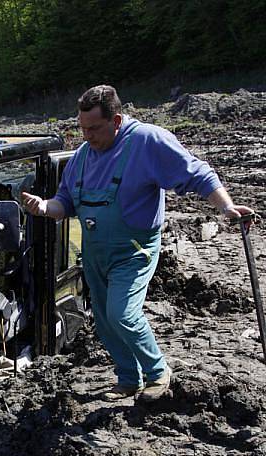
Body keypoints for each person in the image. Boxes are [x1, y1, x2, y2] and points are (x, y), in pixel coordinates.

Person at [23, 85, 254, 402]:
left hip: (133, 249)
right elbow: (65, 201)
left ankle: (158, 373)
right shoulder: (81, 158)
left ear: (116, 121)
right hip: (94, 254)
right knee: (104, 322)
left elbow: (198, 172)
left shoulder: (147, 142)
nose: (87, 136)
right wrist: (45, 207)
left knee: (123, 314)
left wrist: (226, 207)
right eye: (82, 128)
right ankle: (128, 378)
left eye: (94, 129)